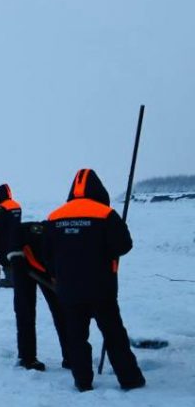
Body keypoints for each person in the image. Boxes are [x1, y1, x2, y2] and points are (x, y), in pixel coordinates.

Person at [45, 168, 145, 392]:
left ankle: (82, 381)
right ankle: (130, 379)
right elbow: (124, 246)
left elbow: (46, 253)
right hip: (101, 289)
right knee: (114, 334)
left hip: (69, 290)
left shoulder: (54, 217)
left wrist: (57, 274)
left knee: (76, 337)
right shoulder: (106, 214)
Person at [6, 221, 70, 372]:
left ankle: (71, 356)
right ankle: (28, 358)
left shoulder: (68, 251)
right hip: (21, 256)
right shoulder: (54, 248)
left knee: (61, 311)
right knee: (25, 311)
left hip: (45, 259)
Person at [0, 184, 21, 288]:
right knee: (14, 257)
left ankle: (9, 280)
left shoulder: (1, 207)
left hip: (5, 237)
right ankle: (15, 278)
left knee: (4, 258)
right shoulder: (17, 205)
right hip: (16, 236)